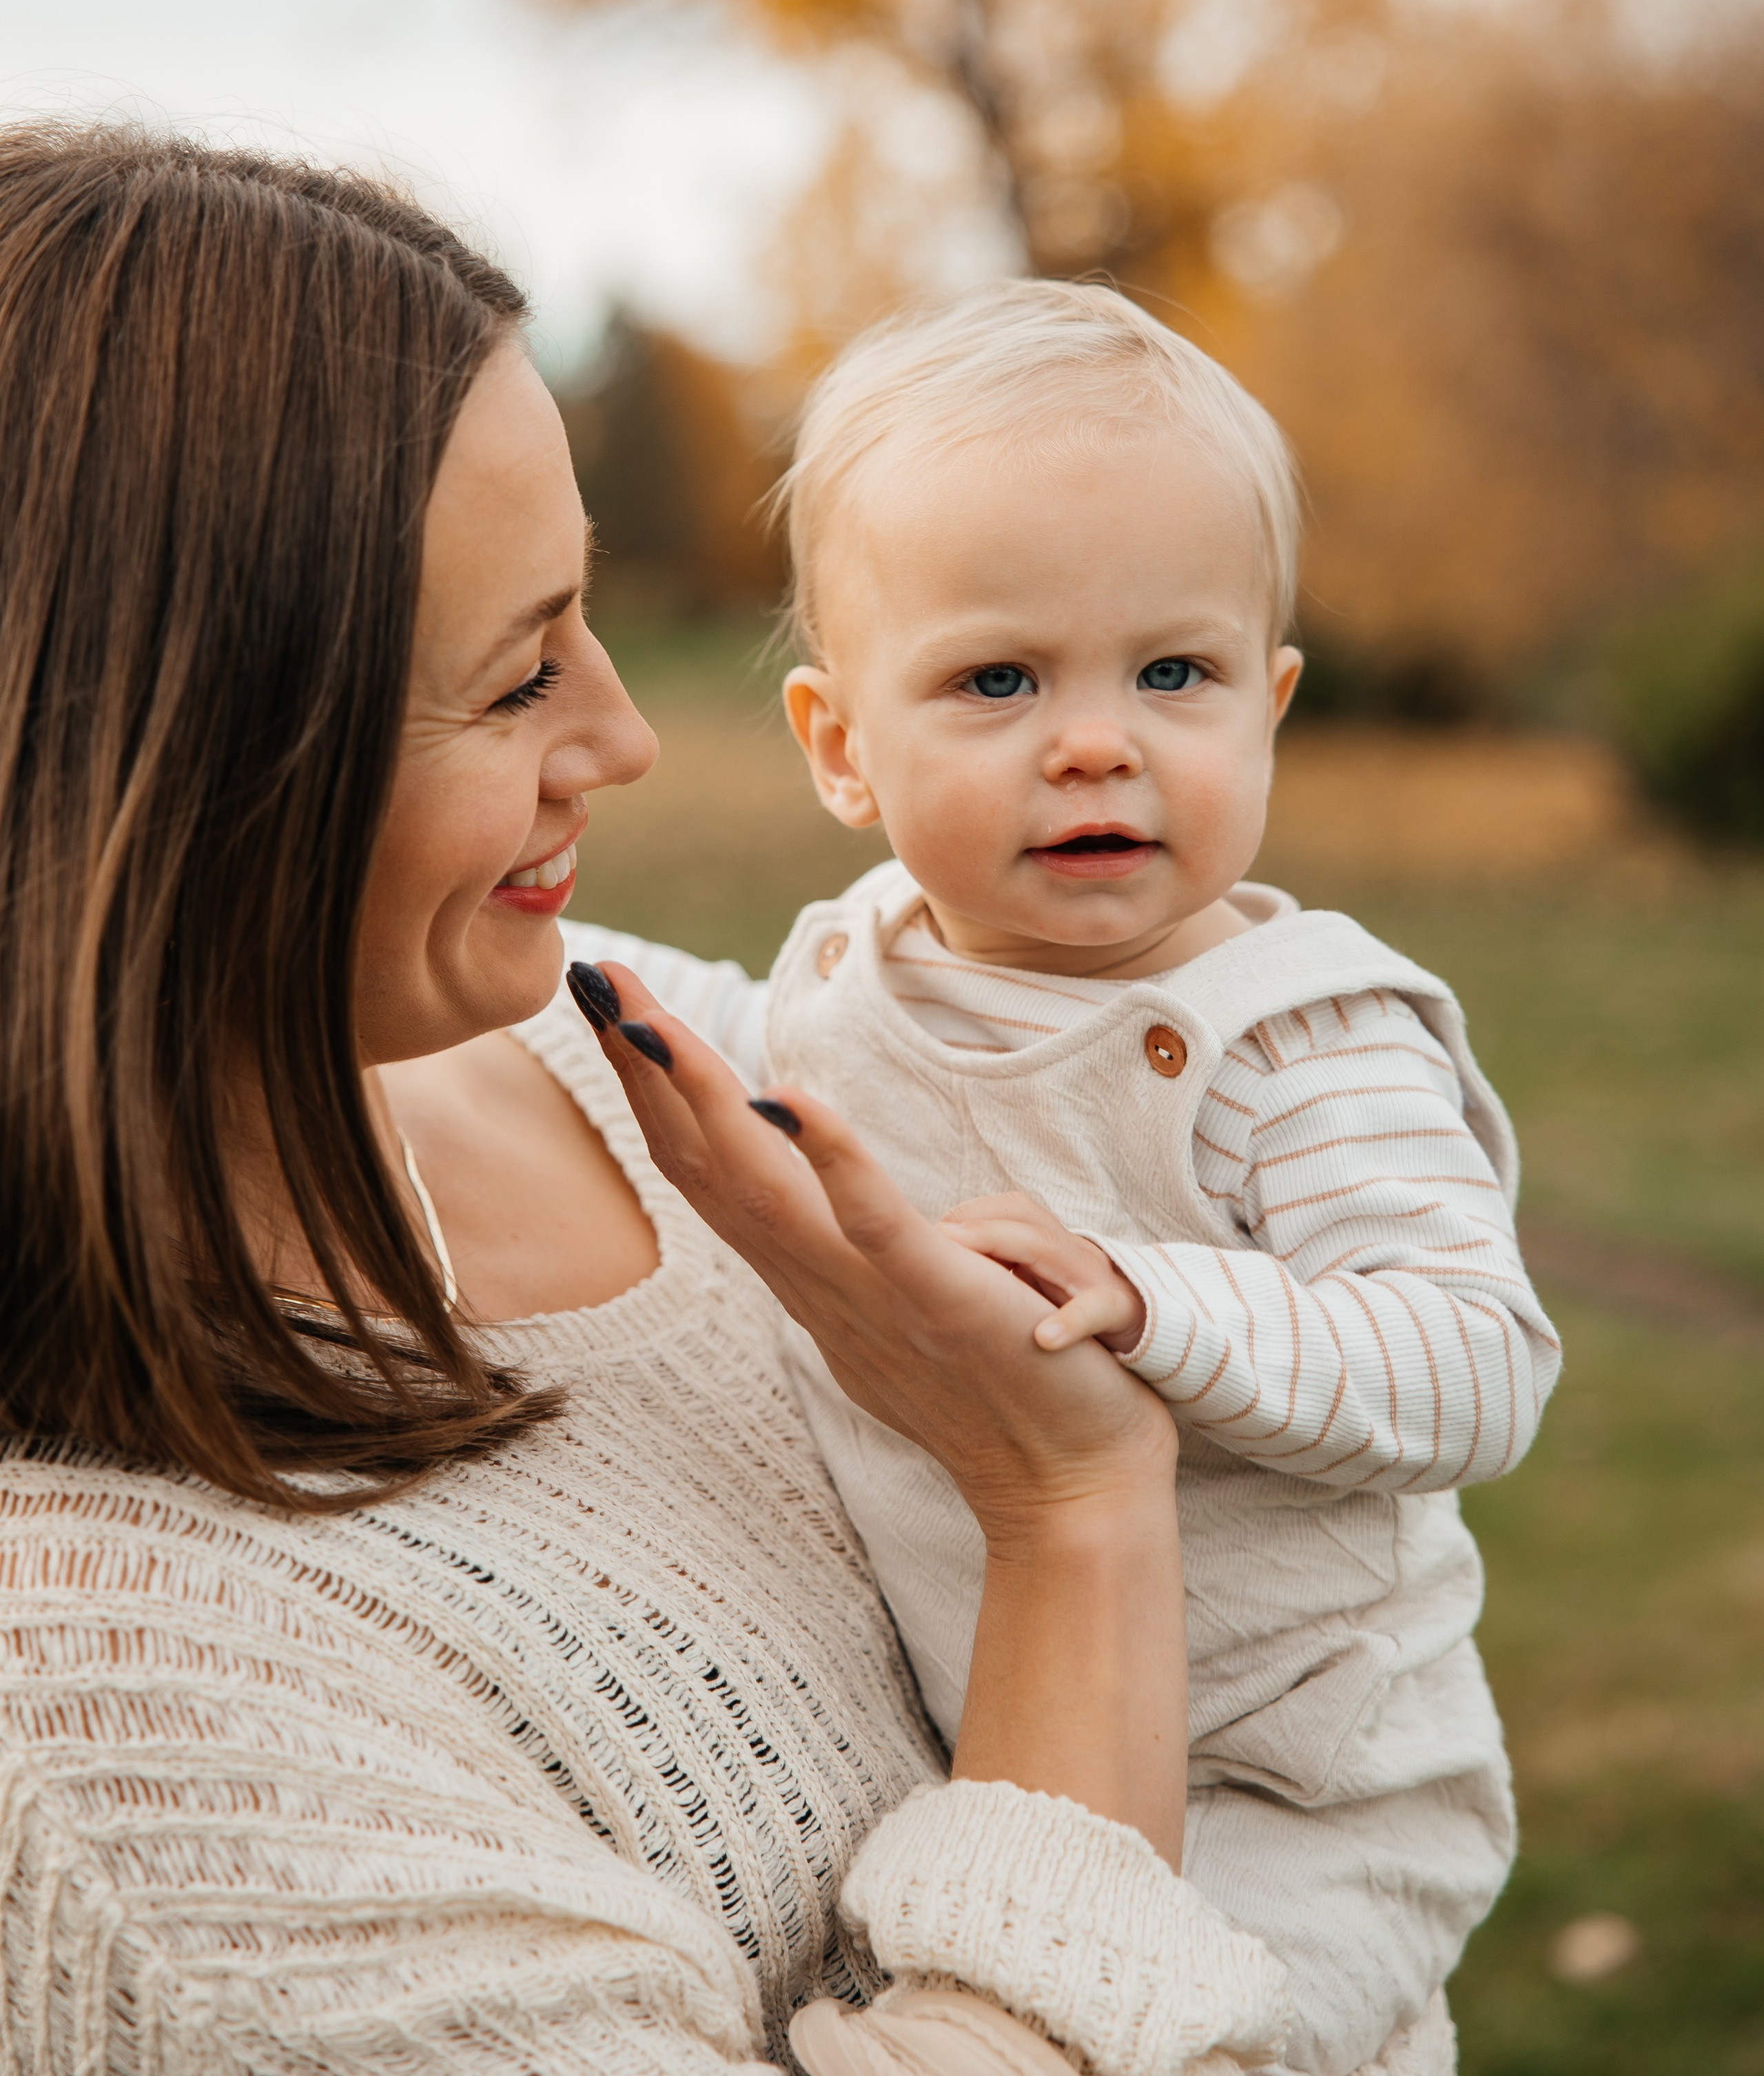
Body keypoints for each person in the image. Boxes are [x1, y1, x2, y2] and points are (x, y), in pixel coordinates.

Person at [0, 126, 1298, 2076]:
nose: (619, 733)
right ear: (174, 765)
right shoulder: (110, 1753)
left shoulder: (643, 1070)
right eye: (519, 678)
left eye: (585, 618)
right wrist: (1071, 1520)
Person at [568, 285, 1563, 2076]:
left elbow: (1479, 1359)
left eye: (1172, 675)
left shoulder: (1295, 1041)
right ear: (840, 748)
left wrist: (1158, 1297)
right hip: (994, 1726)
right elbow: (708, 1045)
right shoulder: (859, 984)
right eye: (998, 680)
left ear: (1266, 708)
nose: (1096, 740)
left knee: (1180, 2040)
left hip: (1305, 1779)